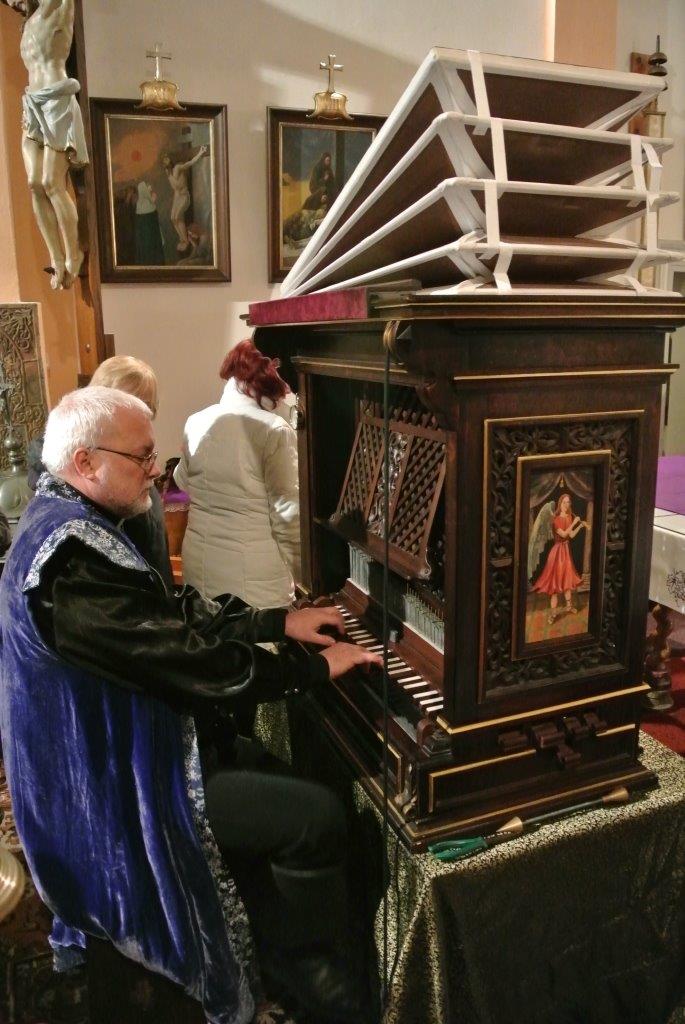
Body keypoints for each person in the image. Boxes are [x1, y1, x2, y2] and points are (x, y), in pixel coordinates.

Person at [0, 386, 380, 1024]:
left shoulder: (70, 519)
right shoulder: (68, 563)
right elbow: (187, 661)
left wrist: (274, 621)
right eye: (142, 457)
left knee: (261, 766)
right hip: (105, 796)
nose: (157, 472)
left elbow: (162, 616)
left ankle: (279, 956)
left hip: (112, 756)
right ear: (86, 462)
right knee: (314, 818)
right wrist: (311, 667)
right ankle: (318, 992)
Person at [26, 354, 173, 587]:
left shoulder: (116, 476)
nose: (156, 471)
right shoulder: (75, 527)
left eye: (146, 408)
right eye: (128, 404)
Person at [175, 339, 300, 609]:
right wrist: (305, 576)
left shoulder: (196, 420)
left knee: (209, 628)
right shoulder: (274, 429)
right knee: (256, 635)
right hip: (253, 576)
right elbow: (288, 515)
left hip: (199, 561)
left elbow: (181, 481)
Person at [12, 0, 88, 289]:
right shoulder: (27, 26)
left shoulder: (57, 8)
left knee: (52, 182)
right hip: (32, 103)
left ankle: (73, 254)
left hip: (56, 98)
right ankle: (56, 257)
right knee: (34, 183)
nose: (13, 2)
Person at [532, 492, 588, 624]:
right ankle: (553, 613)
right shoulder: (555, 519)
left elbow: (571, 535)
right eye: (564, 502)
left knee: (567, 579)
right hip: (557, 553)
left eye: (568, 502)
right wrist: (574, 522)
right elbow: (563, 534)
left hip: (566, 551)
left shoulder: (569, 517)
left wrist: (580, 525)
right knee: (555, 584)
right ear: (560, 503)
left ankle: (569, 606)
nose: (566, 504)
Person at [162, 146, 208, 252]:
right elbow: (175, 188)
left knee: (177, 216)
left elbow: (190, 163)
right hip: (177, 197)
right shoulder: (168, 173)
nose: (166, 165)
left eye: (166, 162)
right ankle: (182, 238)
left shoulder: (177, 168)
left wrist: (200, 153)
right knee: (173, 218)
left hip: (184, 196)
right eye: (164, 163)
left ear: (170, 162)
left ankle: (185, 240)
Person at [134, 180, 165, 266]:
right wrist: (153, 201)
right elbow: (152, 216)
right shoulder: (146, 203)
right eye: (148, 187)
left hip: (146, 235)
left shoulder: (140, 203)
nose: (150, 190)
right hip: (149, 234)